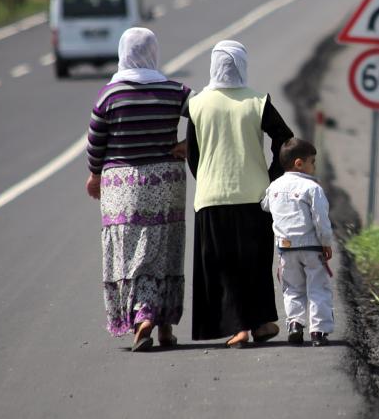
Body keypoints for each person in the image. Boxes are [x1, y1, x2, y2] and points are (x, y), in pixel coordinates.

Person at [85, 27, 190, 352]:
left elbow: (95, 141)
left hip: (123, 185)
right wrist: (189, 143)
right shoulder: (176, 91)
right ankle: (165, 328)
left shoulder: (109, 95)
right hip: (166, 180)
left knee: (132, 253)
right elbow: (204, 118)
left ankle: (141, 315)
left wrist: (94, 175)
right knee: (166, 247)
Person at [184, 39, 294, 348]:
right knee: (254, 262)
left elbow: (193, 154)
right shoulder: (257, 101)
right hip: (255, 195)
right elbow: (284, 140)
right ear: (241, 65)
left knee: (222, 264)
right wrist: (273, 176)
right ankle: (259, 323)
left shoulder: (196, 103)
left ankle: (239, 328)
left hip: (211, 197)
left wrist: (206, 176)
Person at [260, 138, 335, 346]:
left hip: (285, 249)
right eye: (312, 161)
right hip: (311, 247)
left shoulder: (274, 186)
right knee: (318, 287)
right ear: (299, 163)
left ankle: (295, 324)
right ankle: (318, 331)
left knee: (292, 288)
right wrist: (326, 242)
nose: (314, 166)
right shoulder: (312, 188)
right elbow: (321, 219)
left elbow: (265, 206)